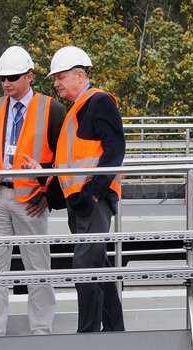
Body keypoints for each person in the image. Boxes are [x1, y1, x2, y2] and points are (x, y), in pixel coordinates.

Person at [0, 46, 65, 337]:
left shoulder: (52, 109)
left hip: (32, 199)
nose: (6, 83)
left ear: (29, 76)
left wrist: (48, 194)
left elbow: (63, 158)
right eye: (2, 78)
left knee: (38, 266)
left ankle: (41, 329)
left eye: (12, 77)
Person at [48, 45, 125, 333]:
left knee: (85, 265)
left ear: (80, 75)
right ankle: (115, 329)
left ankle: (88, 333)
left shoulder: (99, 102)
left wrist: (93, 192)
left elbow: (115, 149)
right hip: (81, 201)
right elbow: (74, 159)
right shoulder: (79, 107)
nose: (56, 84)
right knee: (98, 265)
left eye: (61, 77)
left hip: (93, 200)